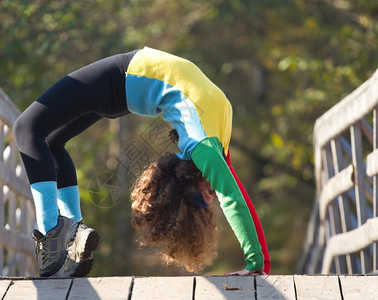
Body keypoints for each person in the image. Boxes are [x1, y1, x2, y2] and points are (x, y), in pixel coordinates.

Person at [13, 47, 271, 277]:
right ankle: (72, 240)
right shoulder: (212, 148)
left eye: (203, 198)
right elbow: (237, 197)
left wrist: (254, 263)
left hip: (118, 79)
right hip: (121, 86)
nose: (211, 195)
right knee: (52, 144)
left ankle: (51, 233)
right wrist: (260, 263)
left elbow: (232, 198)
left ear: (192, 182)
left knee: (26, 129)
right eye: (209, 195)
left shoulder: (202, 147)